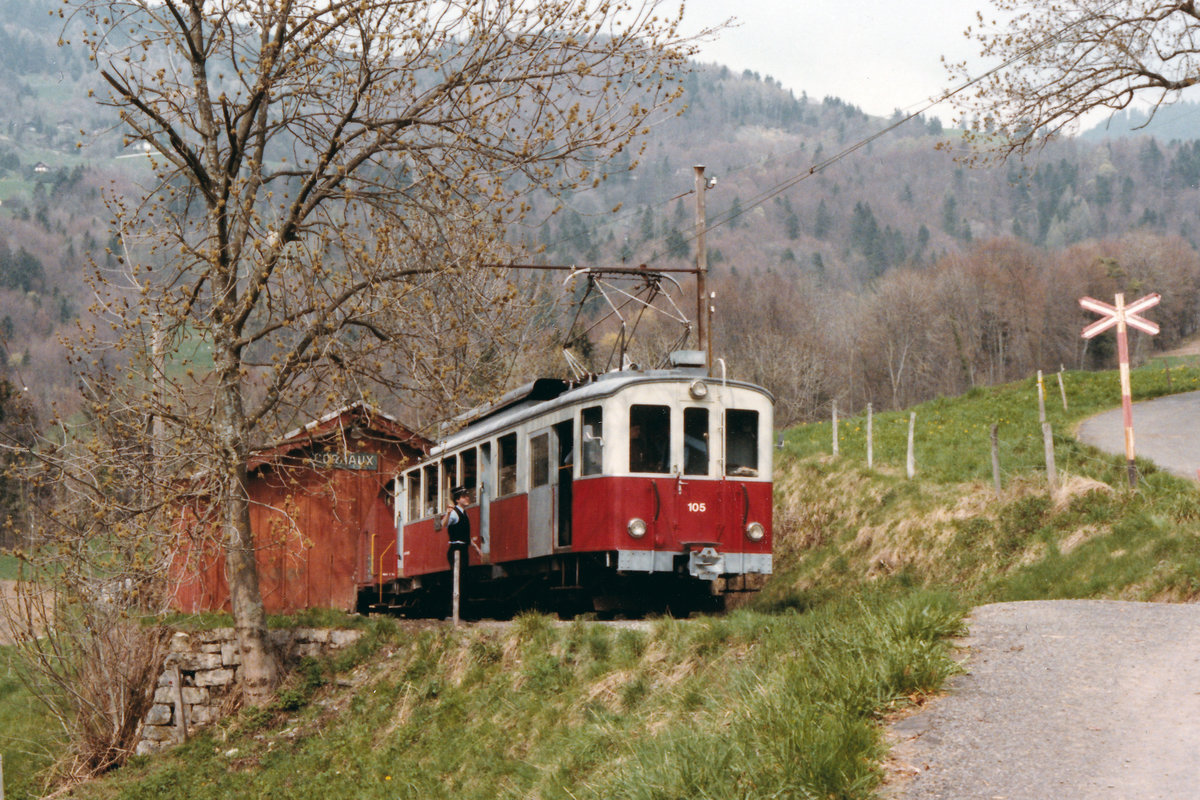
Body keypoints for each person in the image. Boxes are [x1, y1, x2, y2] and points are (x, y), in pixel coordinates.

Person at [440, 486, 471, 605]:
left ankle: (461, 608)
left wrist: (476, 548)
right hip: (456, 549)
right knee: (458, 579)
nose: (467, 498)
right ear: (457, 500)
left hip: (464, 549)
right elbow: (444, 524)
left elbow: (465, 534)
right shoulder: (454, 513)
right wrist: (447, 514)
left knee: (463, 579)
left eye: (467, 496)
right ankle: (455, 609)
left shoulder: (465, 513)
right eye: (464, 497)